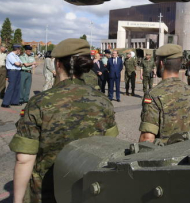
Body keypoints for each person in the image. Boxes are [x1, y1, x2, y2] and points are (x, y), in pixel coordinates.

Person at [9, 38, 118, 203]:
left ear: (58, 64)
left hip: (47, 191)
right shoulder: (103, 101)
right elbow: (111, 147)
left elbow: (24, 159)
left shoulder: (39, 103)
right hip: (89, 189)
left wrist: (17, 200)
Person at [139, 44, 190, 144]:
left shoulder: (153, 95)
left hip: (164, 156)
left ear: (161, 64)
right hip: (189, 153)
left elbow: (147, 138)